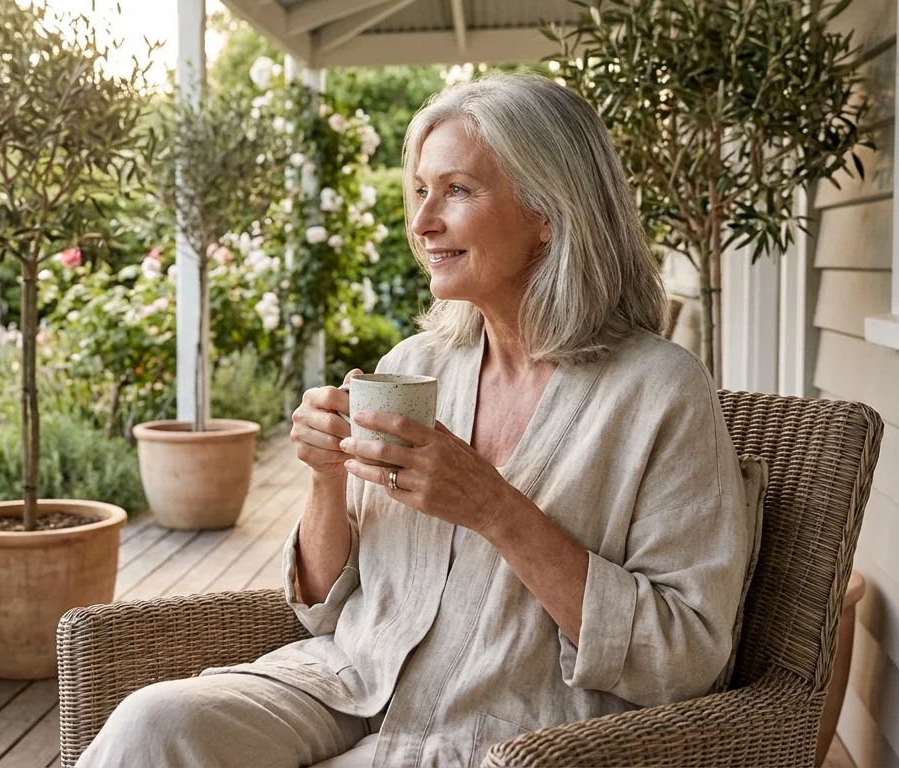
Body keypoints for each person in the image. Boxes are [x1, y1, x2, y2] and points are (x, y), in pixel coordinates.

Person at [77, 72, 754, 768]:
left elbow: (686, 657)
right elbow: (325, 607)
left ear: (548, 211)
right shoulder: (416, 365)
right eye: (422, 190)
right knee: (151, 724)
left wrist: (494, 508)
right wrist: (325, 477)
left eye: (457, 190)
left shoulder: (659, 392)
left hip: (497, 730)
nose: (423, 220)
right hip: (344, 683)